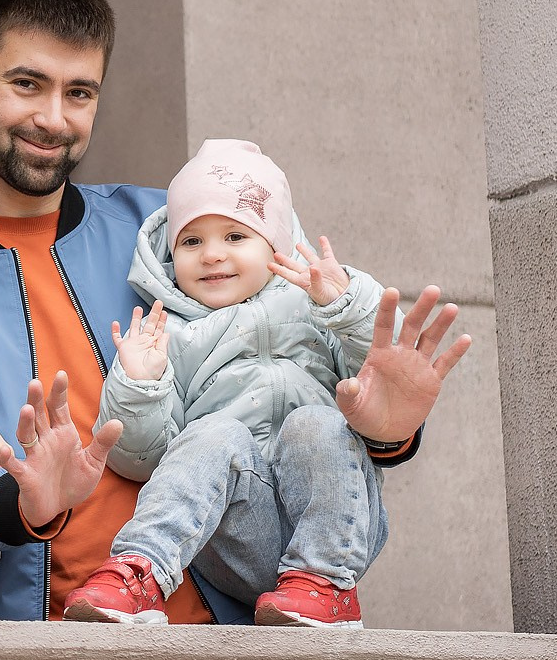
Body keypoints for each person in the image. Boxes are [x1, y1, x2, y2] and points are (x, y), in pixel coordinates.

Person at [0, 0, 472, 622]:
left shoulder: (175, 232)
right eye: (27, 83)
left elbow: (298, 355)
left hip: (227, 629)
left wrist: (388, 433)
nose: (53, 117)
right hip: (32, 652)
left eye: (79, 92)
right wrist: (19, 500)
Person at [65, 139, 425, 628]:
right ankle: (141, 572)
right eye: (191, 242)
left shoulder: (317, 308)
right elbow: (141, 460)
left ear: (275, 245)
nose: (212, 255)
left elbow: (388, 369)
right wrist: (138, 387)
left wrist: (348, 309)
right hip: (235, 530)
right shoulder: (168, 333)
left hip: (337, 515)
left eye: (235, 236)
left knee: (317, 422)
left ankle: (325, 584)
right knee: (214, 433)